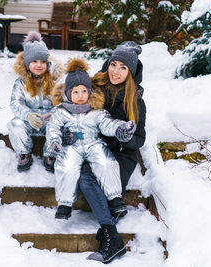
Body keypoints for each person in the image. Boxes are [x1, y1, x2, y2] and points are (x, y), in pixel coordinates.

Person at [62, 42, 146, 264]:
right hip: (95, 150)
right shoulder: (92, 87)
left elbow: (140, 139)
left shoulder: (135, 100)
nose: (115, 71)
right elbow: (69, 110)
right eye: (113, 64)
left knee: (98, 183)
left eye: (122, 67)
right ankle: (113, 235)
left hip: (120, 155)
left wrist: (124, 136)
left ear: (130, 72)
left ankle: (110, 236)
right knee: (85, 178)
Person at [45, 58, 136, 220]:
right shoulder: (61, 112)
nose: (80, 96)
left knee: (106, 162)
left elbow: (107, 124)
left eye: (84, 91)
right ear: (67, 93)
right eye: (75, 92)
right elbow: (53, 127)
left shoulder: (96, 111)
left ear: (90, 92)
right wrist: (55, 141)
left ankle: (115, 198)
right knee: (66, 166)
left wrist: (119, 129)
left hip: (93, 143)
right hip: (71, 146)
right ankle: (65, 204)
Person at [7, 31, 64, 172]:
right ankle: (24, 153)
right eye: (34, 61)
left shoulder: (55, 81)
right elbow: (16, 103)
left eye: (43, 61)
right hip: (30, 120)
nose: (39, 65)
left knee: (61, 124)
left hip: (49, 121)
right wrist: (28, 115)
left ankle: (50, 155)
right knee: (15, 124)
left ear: (48, 63)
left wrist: (52, 114)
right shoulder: (20, 82)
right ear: (27, 64)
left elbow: (63, 102)